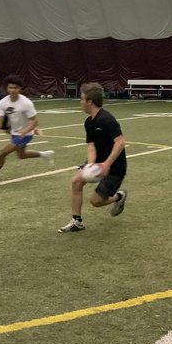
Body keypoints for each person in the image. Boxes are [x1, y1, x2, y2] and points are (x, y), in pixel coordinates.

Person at [59, 82, 128, 233]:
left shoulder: (106, 119)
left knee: (96, 202)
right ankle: (77, 222)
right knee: (76, 181)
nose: (80, 102)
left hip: (115, 167)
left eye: (82, 99)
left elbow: (120, 142)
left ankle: (119, 196)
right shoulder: (89, 122)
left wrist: (106, 164)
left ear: (90, 101)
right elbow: (91, 145)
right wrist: (90, 165)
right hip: (98, 162)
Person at [0, 76, 54, 182]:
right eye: (10, 88)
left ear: (20, 89)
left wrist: (25, 131)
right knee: (22, 155)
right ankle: (44, 154)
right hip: (14, 132)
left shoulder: (26, 103)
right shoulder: (3, 102)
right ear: (7, 88)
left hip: (25, 134)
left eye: (16, 88)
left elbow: (34, 121)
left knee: (2, 153)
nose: (13, 90)